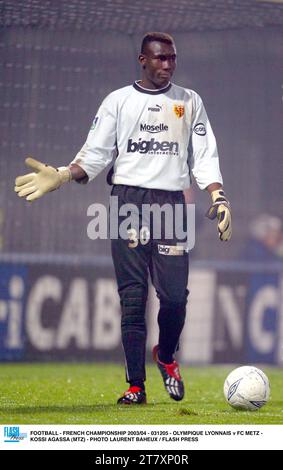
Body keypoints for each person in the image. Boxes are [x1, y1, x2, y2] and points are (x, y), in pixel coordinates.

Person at [14, 32, 232, 405]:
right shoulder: (118, 101)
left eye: (172, 59)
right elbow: (95, 155)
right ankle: (136, 387)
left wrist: (218, 194)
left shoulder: (189, 101)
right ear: (142, 60)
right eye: (160, 59)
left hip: (170, 206)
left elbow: (205, 154)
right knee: (133, 300)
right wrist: (64, 174)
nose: (167, 65)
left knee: (175, 298)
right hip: (127, 203)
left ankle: (165, 356)